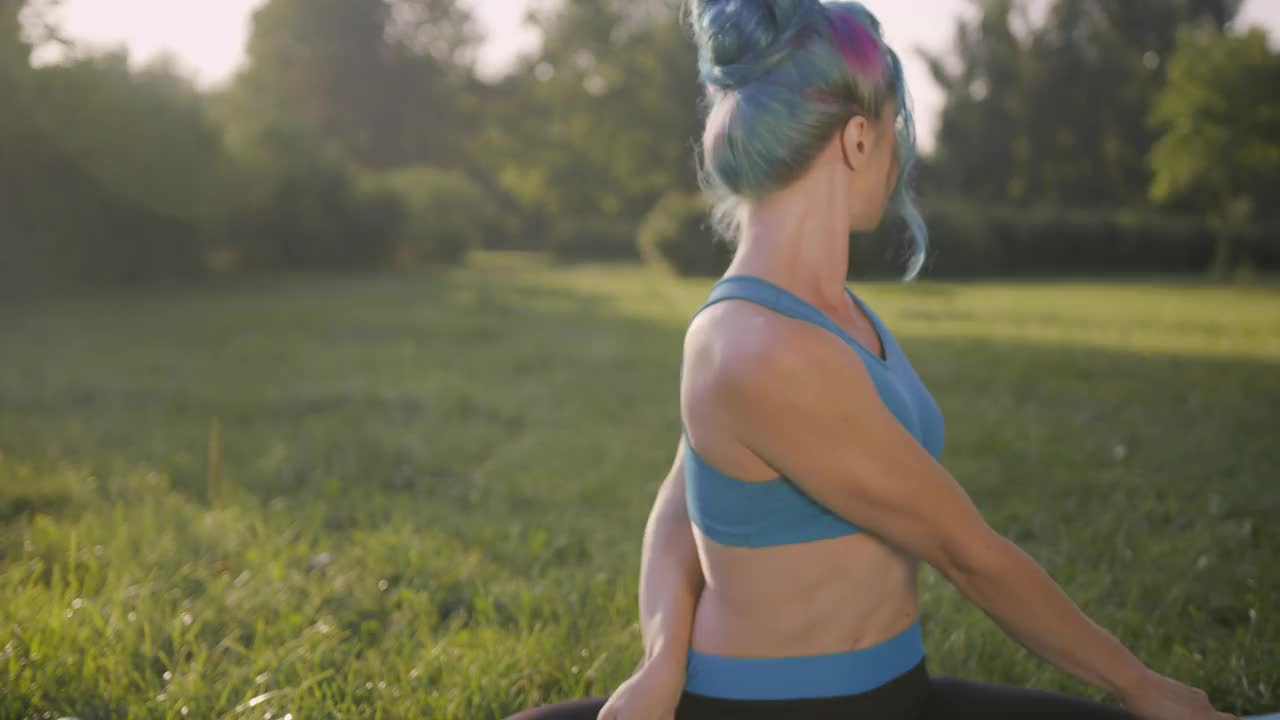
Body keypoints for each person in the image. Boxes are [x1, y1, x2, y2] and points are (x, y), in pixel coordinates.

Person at [506, 1, 1237, 718]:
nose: (896, 160)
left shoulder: (824, 314)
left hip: (897, 692)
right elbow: (966, 551)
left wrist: (661, 658)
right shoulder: (761, 345)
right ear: (859, 139)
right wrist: (1144, 687)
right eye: (895, 132)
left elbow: (681, 494)